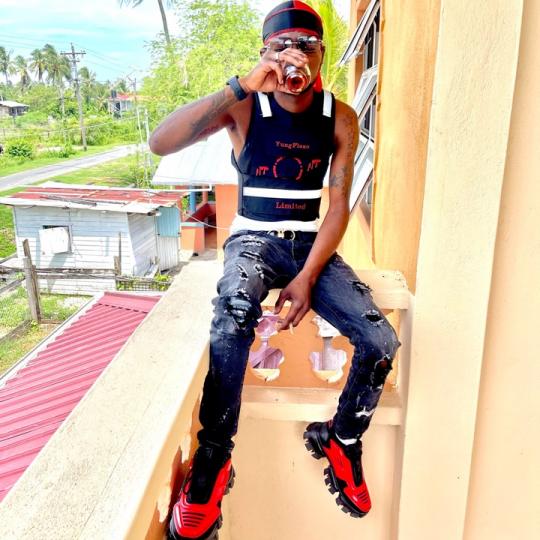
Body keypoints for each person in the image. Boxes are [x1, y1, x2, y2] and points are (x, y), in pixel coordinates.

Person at [149, 2, 401, 539]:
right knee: (233, 312)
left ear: (322, 54)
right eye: (281, 45)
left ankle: (342, 439)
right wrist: (240, 84)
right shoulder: (245, 107)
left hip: (310, 244)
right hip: (253, 239)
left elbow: (338, 205)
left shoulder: (340, 116)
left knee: (380, 341)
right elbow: (160, 142)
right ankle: (214, 460)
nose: (294, 55)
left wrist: (307, 276)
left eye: (306, 44)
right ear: (265, 52)